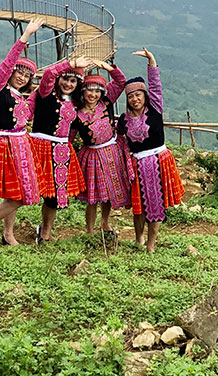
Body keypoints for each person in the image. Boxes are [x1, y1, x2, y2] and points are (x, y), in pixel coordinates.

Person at [0, 18, 49, 247]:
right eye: (20, 73)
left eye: (27, 76)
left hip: (19, 145)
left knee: (13, 192)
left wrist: (69, 67)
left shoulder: (22, 98)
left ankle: (8, 234)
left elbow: (45, 86)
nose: (22, 78)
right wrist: (25, 35)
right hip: (2, 144)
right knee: (20, 195)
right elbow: (7, 63)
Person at [121, 48, 184, 252]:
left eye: (138, 95)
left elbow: (156, 87)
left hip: (158, 161)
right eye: (131, 96)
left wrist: (152, 61)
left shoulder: (155, 109)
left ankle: (151, 245)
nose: (135, 99)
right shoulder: (124, 120)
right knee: (138, 207)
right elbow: (118, 140)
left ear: (145, 96)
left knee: (156, 205)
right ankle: (138, 239)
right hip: (137, 165)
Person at [30, 55, 89, 244]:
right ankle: (7, 231)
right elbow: (48, 73)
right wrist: (71, 64)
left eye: (73, 80)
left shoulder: (76, 103)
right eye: (65, 79)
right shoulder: (46, 93)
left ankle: (45, 232)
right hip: (39, 147)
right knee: (24, 190)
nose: (68, 84)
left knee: (53, 196)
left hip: (61, 152)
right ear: (58, 79)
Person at [71, 61, 132, 236]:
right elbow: (70, 137)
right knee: (93, 195)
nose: (94, 94)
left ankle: (105, 222)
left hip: (112, 152)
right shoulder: (76, 114)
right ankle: (89, 229)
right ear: (83, 91)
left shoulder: (106, 102)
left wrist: (109, 68)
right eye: (90, 90)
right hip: (91, 155)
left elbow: (121, 82)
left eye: (97, 91)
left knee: (108, 192)